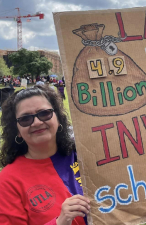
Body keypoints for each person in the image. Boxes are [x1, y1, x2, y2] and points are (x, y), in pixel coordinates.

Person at [0, 85, 90, 225]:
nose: (36, 122)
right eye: (25, 119)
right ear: (17, 130)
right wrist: (60, 222)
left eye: (44, 113)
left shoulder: (85, 155)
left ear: (58, 118)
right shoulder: (7, 181)